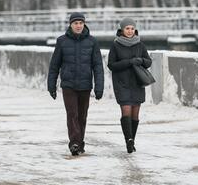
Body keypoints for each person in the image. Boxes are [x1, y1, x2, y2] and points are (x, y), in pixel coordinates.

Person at [48, 11, 104, 156]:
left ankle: (80, 142)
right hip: (68, 84)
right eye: (75, 23)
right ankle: (74, 143)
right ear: (70, 25)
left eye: (81, 23)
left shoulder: (92, 41)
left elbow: (98, 66)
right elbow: (54, 65)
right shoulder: (62, 41)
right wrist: (51, 85)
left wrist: (99, 87)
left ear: (84, 24)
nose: (78, 26)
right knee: (72, 114)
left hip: (85, 85)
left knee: (82, 116)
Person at [107, 17, 152, 153]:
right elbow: (111, 65)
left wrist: (140, 60)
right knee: (126, 110)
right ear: (122, 29)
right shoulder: (115, 45)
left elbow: (148, 62)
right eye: (127, 28)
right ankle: (128, 140)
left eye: (132, 28)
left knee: (135, 114)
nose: (130, 31)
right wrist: (128, 62)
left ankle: (132, 139)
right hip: (122, 83)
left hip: (137, 83)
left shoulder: (140, 44)